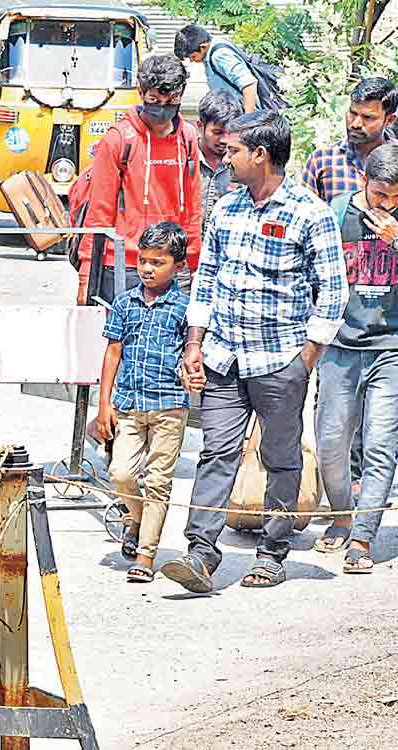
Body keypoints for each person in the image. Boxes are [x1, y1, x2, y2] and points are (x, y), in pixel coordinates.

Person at [166, 111, 348, 593]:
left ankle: (272, 553)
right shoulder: (227, 208)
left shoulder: (311, 214)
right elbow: (206, 279)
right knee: (216, 452)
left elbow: (332, 293)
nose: (226, 158)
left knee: (281, 458)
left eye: (234, 151)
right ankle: (201, 553)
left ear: (261, 155)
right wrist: (194, 343)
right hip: (225, 358)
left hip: (279, 362)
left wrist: (304, 358)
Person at [314, 145, 398, 573]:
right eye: (381, 194)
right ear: (364, 182)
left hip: (392, 350)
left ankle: (362, 538)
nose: (388, 205)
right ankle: (342, 512)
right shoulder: (333, 213)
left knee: (381, 445)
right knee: (331, 442)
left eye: (395, 197)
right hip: (339, 346)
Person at [94, 222, 190, 583]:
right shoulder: (125, 303)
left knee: (158, 482)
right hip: (129, 405)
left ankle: (146, 555)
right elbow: (112, 353)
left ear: (178, 266)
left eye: (158, 262)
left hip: (168, 405)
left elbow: (193, 352)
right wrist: (105, 405)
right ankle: (134, 519)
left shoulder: (185, 309)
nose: (148, 269)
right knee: (121, 474)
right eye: (143, 261)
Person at [75, 55, 202, 305]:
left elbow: (193, 209)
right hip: (124, 266)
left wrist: (195, 264)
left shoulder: (187, 139)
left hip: (173, 268)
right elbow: (99, 213)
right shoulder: (118, 140)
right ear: (140, 92)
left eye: (171, 101)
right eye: (154, 100)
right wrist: (86, 275)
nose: (162, 108)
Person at [302, 77, 397, 205]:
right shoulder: (322, 160)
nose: (356, 124)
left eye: (368, 117)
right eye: (353, 113)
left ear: (389, 120)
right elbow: (303, 214)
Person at [173, 24, 258, 113]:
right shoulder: (214, 48)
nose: (191, 60)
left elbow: (249, 84)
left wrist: (247, 119)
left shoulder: (219, 55)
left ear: (203, 47)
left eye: (193, 56)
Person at [197, 90, 244, 225]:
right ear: (200, 126)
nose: (224, 139)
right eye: (217, 132)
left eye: (229, 133)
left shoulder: (243, 165)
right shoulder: (184, 158)